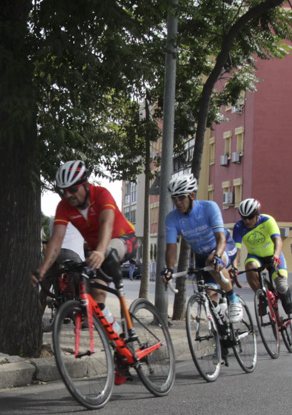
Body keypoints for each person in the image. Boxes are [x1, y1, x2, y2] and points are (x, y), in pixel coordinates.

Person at [32, 161, 138, 384]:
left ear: (85, 184)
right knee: (96, 305)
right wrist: (42, 270)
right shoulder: (64, 207)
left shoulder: (101, 194)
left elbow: (107, 224)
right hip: (94, 249)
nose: (68, 194)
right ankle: (121, 346)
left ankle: (127, 320)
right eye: (63, 191)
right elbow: (56, 240)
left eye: (72, 189)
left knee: (107, 254)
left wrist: (100, 250)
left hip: (122, 240)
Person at [159, 174, 242, 324]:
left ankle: (233, 299)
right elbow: (171, 247)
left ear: (191, 195)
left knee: (212, 261)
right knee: (210, 297)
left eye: (181, 197)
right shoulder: (172, 218)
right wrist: (169, 269)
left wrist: (217, 255)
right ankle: (221, 332)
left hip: (223, 247)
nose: (177, 202)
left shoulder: (209, 207)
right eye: (174, 198)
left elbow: (221, 238)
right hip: (201, 256)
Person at [231, 198, 292, 333]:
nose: (247, 221)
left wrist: (276, 256)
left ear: (257, 215)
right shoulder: (239, 227)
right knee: (249, 266)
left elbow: (277, 240)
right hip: (255, 256)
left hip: (273, 255)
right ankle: (262, 297)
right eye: (244, 218)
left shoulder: (267, 220)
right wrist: (234, 266)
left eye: (250, 217)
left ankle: (289, 314)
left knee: (282, 287)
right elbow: (236, 250)